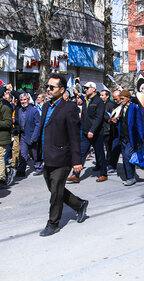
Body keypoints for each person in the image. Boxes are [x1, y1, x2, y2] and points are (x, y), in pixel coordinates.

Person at [38, 74, 88, 237]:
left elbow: (74, 135)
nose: (48, 89)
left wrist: (76, 160)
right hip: (48, 155)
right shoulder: (46, 106)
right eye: (48, 86)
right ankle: (79, 204)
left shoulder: (69, 108)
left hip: (62, 157)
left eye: (52, 87)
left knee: (55, 193)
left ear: (61, 90)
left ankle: (53, 223)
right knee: (54, 189)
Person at [68, 81, 106, 183]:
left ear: (93, 89)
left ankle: (103, 173)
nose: (85, 89)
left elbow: (99, 118)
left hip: (96, 133)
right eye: (84, 88)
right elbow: (84, 116)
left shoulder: (99, 101)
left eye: (87, 88)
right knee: (81, 153)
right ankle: (76, 175)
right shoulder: (85, 100)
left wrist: (92, 130)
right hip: (85, 132)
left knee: (99, 153)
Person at [109, 89, 143, 186]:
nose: (120, 100)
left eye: (122, 98)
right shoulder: (120, 108)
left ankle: (130, 177)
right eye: (120, 98)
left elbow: (139, 124)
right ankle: (130, 176)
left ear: (128, 98)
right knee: (125, 158)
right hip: (123, 137)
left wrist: (140, 139)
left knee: (127, 156)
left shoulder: (134, 108)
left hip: (131, 138)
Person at [15, 92, 42, 176]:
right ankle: (21, 170)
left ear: (28, 100)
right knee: (23, 153)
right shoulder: (19, 110)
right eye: (21, 100)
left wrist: (34, 137)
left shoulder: (34, 111)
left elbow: (38, 124)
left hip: (31, 135)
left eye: (24, 99)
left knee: (34, 153)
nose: (23, 101)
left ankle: (39, 167)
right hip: (23, 135)